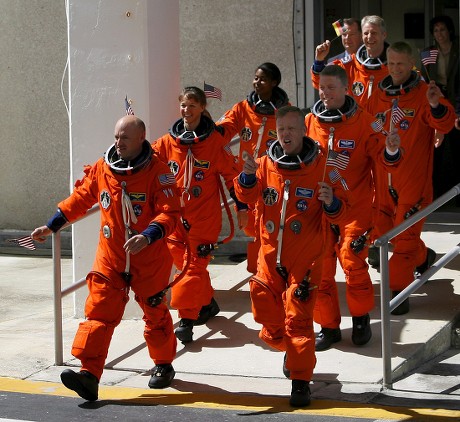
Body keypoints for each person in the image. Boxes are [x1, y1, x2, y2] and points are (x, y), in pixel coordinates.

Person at [31, 115, 181, 401]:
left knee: (155, 313)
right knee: (99, 310)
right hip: (112, 257)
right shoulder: (104, 168)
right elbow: (81, 198)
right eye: (116, 137)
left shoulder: (158, 172)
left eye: (124, 138)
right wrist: (51, 225)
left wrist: (148, 235)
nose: (118, 142)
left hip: (148, 258)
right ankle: (89, 374)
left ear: (140, 138)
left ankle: (163, 364)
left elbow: (170, 212)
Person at [234, 105, 349, 407]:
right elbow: (245, 196)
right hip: (270, 255)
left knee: (298, 321)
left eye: (292, 129)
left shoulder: (324, 166)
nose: (285, 134)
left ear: (303, 131)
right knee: (264, 308)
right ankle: (288, 347)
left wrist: (331, 202)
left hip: (306, 258)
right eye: (281, 129)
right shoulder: (263, 164)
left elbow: (342, 212)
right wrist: (246, 177)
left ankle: (300, 382)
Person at [305, 65, 402, 350]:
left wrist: (392, 149)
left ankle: (360, 319)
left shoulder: (365, 122)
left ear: (346, 89)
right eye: (322, 87)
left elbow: (386, 159)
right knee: (320, 269)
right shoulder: (311, 121)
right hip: (320, 208)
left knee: (352, 263)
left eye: (331, 88)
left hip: (355, 208)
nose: (325, 93)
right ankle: (328, 326)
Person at [152, 86, 248, 344]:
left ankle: (185, 320)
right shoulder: (167, 143)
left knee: (190, 269)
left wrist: (242, 207)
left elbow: (232, 177)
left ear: (203, 108)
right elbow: (144, 161)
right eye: (184, 105)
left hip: (204, 219)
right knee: (187, 265)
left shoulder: (214, 143)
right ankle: (206, 305)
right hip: (174, 219)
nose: (187, 110)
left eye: (192, 106)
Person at [366, 42, 455, 315]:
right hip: (382, 182)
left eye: (400, 64)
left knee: (403, 239)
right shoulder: (377, 95)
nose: (395, 69)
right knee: (379, 232)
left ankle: (398, 292)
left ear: (411, 64)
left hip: (412, 182)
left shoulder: (422, 94)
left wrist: (435, 104)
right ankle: (423, 256)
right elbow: (364, 125)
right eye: (391, 63)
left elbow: (445, 122)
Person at [217, 62, 289, 272]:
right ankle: (260, 270)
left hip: (272, 177)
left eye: (263, 79)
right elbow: (225, 129)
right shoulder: (243, 108)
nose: (257, 83)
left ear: (274, 83)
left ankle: (265, 269)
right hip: (247, 178)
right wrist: (209, 130)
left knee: (268, 225)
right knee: (250, 225)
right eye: (256, 78)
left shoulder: (284, 111)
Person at [420, 15, 460, 199]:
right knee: (437, 152)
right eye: (436, 31)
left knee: (457, 150)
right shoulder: (429, 53)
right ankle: (435, 194)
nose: (439, 34)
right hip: (437, 103)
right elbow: (425, 80)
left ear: (450, 30)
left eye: (442, 29)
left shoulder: (457, 49)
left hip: (456, 100)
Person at [312, 15, 389, 108]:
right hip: (356, 120)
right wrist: (319, 62)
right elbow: (321, 83)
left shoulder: (395, 62)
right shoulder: (348, 64)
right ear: (362, 36)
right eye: (366, 33)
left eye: (374, 33)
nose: (369, 37)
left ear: (384, 35)